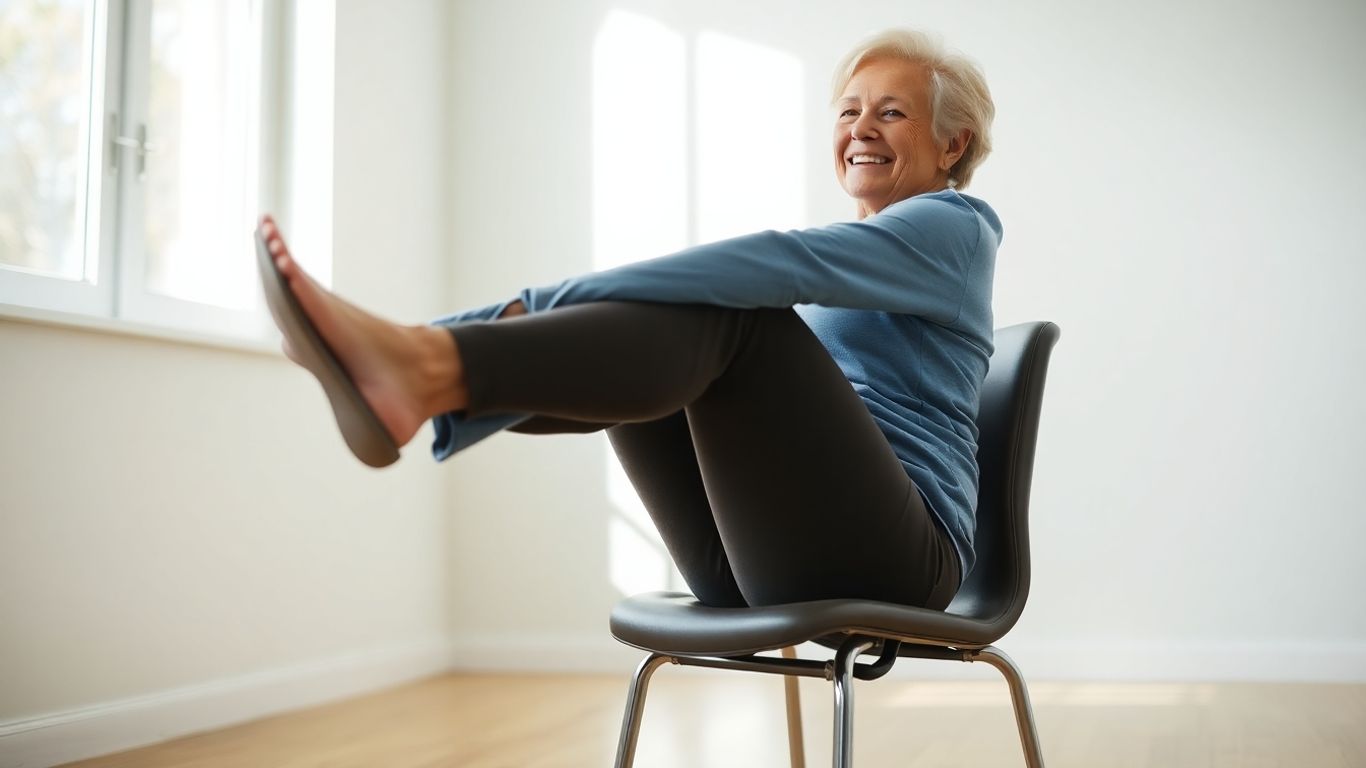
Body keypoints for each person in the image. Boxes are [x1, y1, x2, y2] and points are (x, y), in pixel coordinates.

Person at [258, 28, 998, 613]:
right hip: (756, 556)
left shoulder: (955, 226)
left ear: (952, 143)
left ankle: (428, 367)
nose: (861, 127)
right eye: (848, 110)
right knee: (684, 335)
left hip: (902, 561)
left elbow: (780, 261)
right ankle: (425, 374)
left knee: (740, 315)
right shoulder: (868, 255)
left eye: (891, 112)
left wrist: (527, 307)